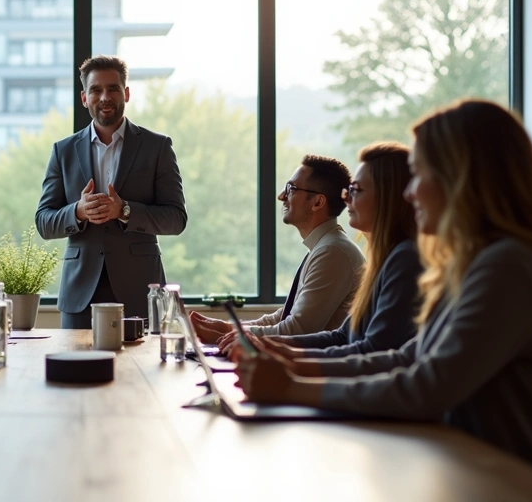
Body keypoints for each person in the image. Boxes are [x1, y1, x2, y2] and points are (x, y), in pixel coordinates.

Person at [235, 100, 532, 475]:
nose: (409, 192)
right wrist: (295, 363)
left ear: (462, 177)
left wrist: (292, 387)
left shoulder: (508, 266)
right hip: (463, 465)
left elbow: (427, 387)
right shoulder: (470, 263)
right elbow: (408, 357)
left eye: (420, 174)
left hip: (511, 482)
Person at [220, 143, 421, 361]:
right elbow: (342, 336)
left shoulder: (398, 258)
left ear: (387, 198)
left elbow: (372, 353)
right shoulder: (382, 259)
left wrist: (290, 373)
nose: (347, 198)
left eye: (356, 190)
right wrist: (264, 342)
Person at [35, 55, 188, 328]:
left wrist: (125, 210)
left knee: (141, 371)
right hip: (79, 294)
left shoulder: (157, 147)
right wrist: (78, 212)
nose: (105, 96)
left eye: (113, 88)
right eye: (96, 90)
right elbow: (44, 222)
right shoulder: (63, 151)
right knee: (75, 370)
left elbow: (176, 219)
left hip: (139, 293)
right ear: (84, 98)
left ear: (126, 93)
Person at [192, 154, 362, 340]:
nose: (281, 196)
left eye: (291, 188)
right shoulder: (326, 247)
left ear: (318, 202)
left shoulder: (333, 253)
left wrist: (229, 335)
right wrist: (227, 327)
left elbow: (296, 331)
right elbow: (285, 316)